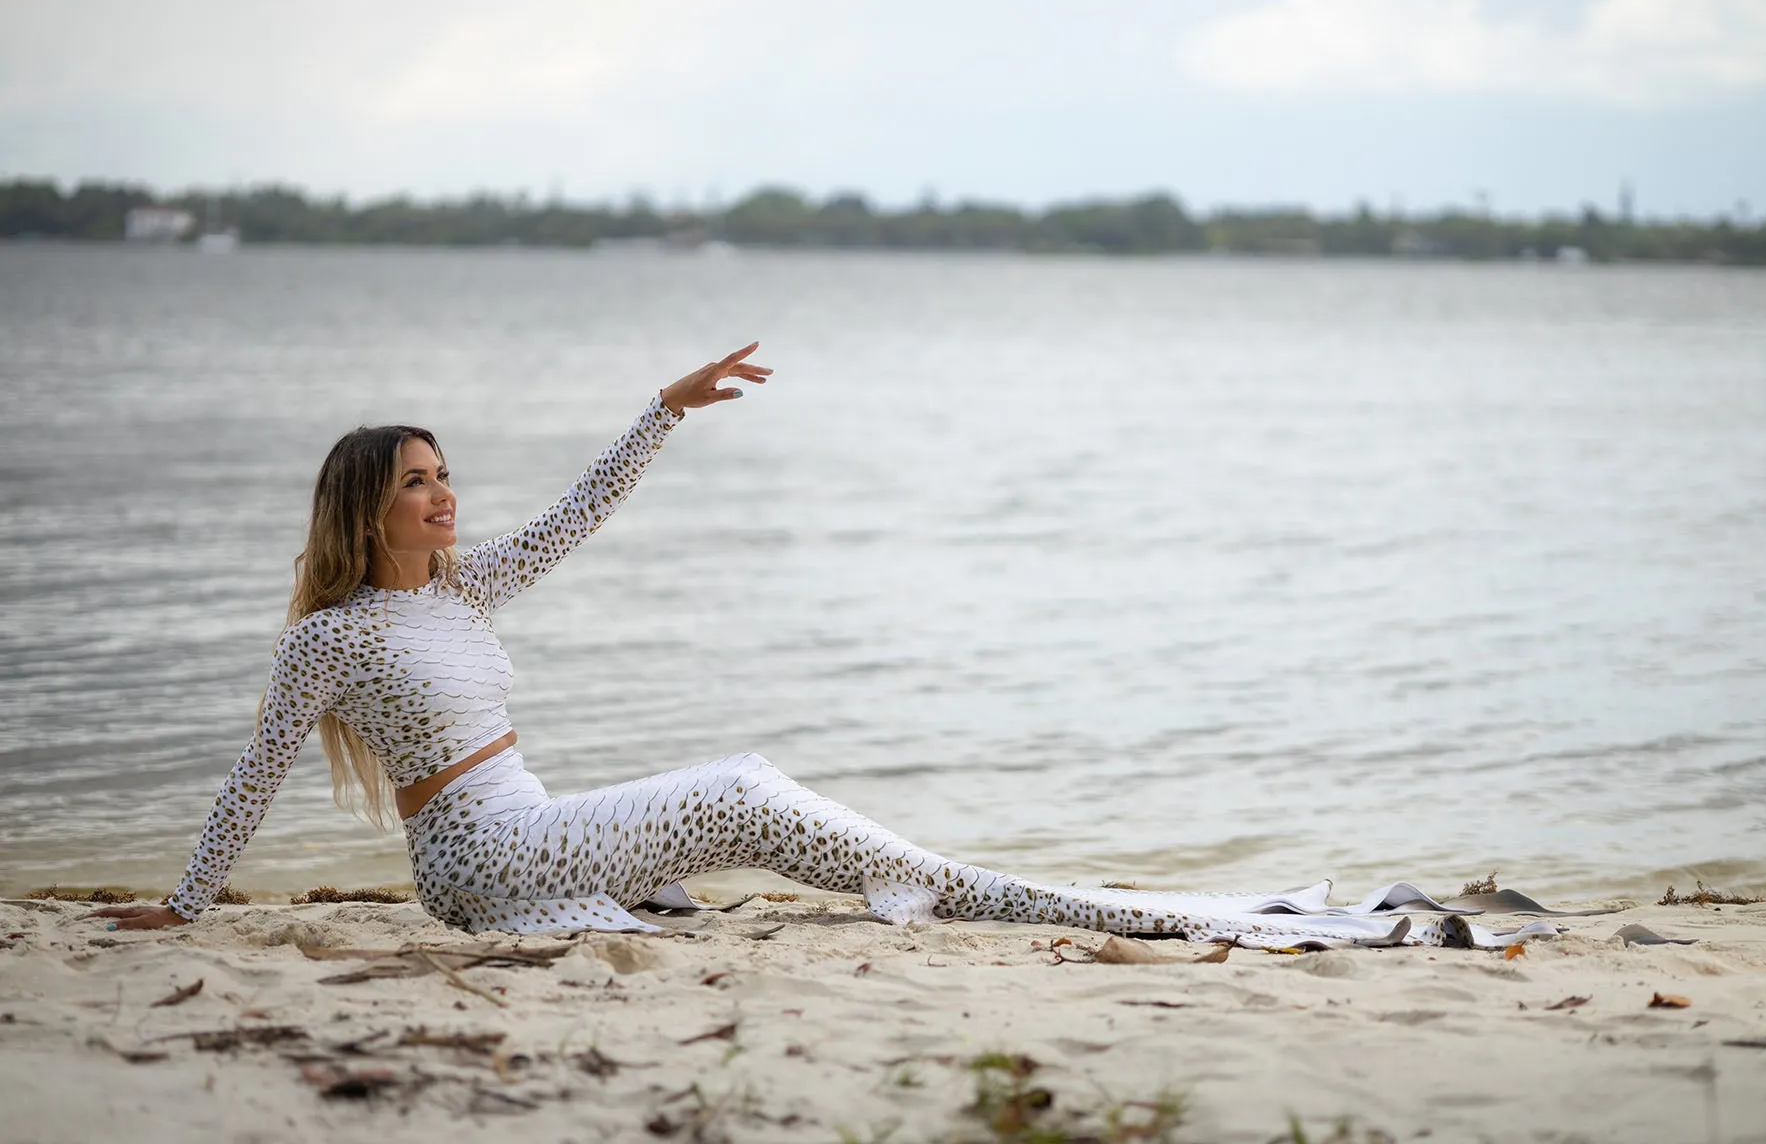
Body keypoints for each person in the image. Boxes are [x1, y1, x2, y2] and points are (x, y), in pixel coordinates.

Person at [91, 343, 1551, 950]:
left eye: (444, 471)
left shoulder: (463, 593)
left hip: (532, 841)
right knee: (749, 787)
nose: (445, 492)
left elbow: (582, 515)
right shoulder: (333, 640)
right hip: (477, 865)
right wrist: (187, 909)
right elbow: (249, 779)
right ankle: (951, 890)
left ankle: (1009, 895)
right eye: (416, 480)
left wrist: (661, 410)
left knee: (771, 807)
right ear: (368, 505)